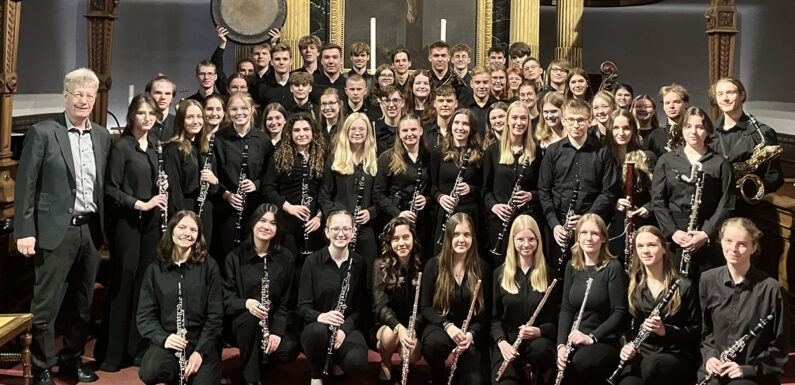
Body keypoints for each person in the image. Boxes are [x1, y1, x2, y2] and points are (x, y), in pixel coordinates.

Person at [15, 68, 110, 385]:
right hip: (56, 231)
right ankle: (43, 365)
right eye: (78, 94)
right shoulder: (43, 132)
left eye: (89, 95)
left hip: (90, 231)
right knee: (47, 304)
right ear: (65, 96)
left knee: (83, 304)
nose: (84, 100)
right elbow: (25, 185)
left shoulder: (101, 134)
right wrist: (24, 230)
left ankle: (71, 361)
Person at [98, 94, 166, 372]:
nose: (147, 118)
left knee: (144, 287)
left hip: (150, 225)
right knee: (123, 285)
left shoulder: (154, 147)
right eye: (141, 113)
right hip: (127, 225)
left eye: (151, 113)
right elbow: (111, 189)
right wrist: (142, 203)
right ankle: (113, 354)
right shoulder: (122, 147)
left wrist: (161, 186)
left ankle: (136, 349)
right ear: (131, 116)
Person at [698, 217, 790, 385]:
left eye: (742, 244)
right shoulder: (708, 280)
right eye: (728, 241)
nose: (733, 249)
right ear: (721, 242)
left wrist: (746, 369)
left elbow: (780, 347)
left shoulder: (771, 289)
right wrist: (710, 358)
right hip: (716, 369)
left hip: (754, 373)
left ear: (753, 248)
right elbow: (706, 332)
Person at [137, 211, 223, 385]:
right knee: (150, 371)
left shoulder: (209, 266)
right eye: (182, 227)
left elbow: (216, 315)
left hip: (202, 341)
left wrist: (199, 352)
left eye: (193, 229)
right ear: (171, 231)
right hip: (171, 339)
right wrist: (164, 339)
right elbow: (145, 316)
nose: (187, 233)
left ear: (198, 236)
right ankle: (176, 372)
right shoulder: (155, 270)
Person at [652, 107, 734, 278]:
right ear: (682, 129)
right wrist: (673, 232)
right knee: (677, 287)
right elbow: (658, 201)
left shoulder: (720, 163)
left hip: (708, 234)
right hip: (676, 236)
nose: (693, 132)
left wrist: (706, 233)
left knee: (707, 288)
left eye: (699, 127)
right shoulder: (667, 161)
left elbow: (727, 202)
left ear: (707, 131)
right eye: (688, 126)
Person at [222, 204, 300, 385]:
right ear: (252, 224)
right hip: (241, 322)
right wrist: (246, 304)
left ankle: (259, 358)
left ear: (277, 229)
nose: (267, 226)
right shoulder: (234, 258)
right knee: (250, 320)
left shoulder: (285, 257)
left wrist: (276, 332)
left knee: (287, 349)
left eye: (272, 223)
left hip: (271, 323)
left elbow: (286, 301)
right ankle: (252, 379)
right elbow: (226, 300)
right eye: (262, 220)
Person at [538, 99, 619, 273]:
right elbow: (544, 191)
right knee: (557, 275)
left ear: (590, 121)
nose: (576, 124)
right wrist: (555, 225)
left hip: (591, 229)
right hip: (560, 228)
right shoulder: (553, 151)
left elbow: (608, 192)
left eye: (581, 120)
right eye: (571, 120)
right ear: (564, 121)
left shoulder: (603, 152)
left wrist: (586, 220)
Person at [614, 225, 700, 385]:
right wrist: (625, 345)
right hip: (643, 352)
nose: (645, 251)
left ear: (663, 249)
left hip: (675, 354)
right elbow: (623, 325)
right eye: (640, 246)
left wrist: (665, 330)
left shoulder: (684, 286)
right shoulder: (632, 285)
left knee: (652, 366)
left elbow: (695, 331)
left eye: (651, 245)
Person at [297, 211, 369, 385]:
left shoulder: (359, 263)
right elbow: (302, 307)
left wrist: (345, 329)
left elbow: (361, 308)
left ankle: (337, 360)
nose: (341, 233)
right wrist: (321, 317)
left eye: (346, 229)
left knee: (357, 361)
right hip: (318, 329)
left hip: (345, 328)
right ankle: (316, 374)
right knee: (317, 332)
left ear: (353, 233)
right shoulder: (312, 261)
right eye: (335, 228)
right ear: (327, 232)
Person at [555, 214, 628, 385]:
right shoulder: (572, 266)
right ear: (577, 237)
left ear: (603, 238)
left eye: (595, 233)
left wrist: (592, 337)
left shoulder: (613, 267)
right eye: (584, 232)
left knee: (581, 361)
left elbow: (619, 312)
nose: (589, 238)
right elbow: (566, 308)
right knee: (562, 366)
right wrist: (560, 346)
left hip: (603, 339)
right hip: (575, 339)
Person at [421, 213, 491, 385]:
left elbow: (485, 312)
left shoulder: (482, 268)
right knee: (434, 344)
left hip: (470, 332)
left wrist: (471, 334)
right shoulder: (433, 266)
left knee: (476, 381)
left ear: (473, 237)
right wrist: (448, 326)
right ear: (448, 237)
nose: (462, 239)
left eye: (466, 235)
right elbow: (426, 307)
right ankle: (436, 373)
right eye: (456, 234)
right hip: (441, 326)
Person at [490, 215, 558, 385]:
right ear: (512, 240)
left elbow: (555, 320)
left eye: (531, 239)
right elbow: (493, 319)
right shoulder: (499, 274)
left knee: (542, 351)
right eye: (520, 239)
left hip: (538, 341)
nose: (526, 244)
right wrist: (501, 342)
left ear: (538, 240)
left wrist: (539, 331)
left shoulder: (550, 275)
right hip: (508, 338)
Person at [213, 92, 273, 261]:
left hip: (254, 206)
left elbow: (269, 174)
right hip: (227, 208)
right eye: (234, 109)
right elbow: (215, 175)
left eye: (244, 108)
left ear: (252, 110)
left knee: (252, 252)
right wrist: (226, 194)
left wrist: (257, 184)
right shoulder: (218, 138)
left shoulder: (262, 139)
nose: (239, 113)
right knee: (227, 253)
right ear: (227, 112)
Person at [708, 77, 784, 210]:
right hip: (714, 206)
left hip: (746, 208)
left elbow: (774, 177)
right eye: (720, 94)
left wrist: (750, 189)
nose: (725, 98)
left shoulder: (762, 133)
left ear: (742, 95)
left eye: (730, 93)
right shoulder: (709, 133)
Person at [483, 101, 542, 267]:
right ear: (507, 120)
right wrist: (494, 206)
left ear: (529, 122)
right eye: (514, 117)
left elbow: (543, 189)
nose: (519, 122)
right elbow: (485, 189)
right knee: (500, 267)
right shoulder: (492, 152)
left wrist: (531, 195)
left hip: (527, 220)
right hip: (500, 220)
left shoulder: (536, 152)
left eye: (523, 118)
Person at [264, 112, 326, 264]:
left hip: (315, 223)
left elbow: (327, 191)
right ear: (290, 133)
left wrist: (319, 217)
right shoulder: (280, 155)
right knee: (290, 265)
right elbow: (268, 189)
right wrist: (289, 207)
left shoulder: (323, 155)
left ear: (313, 132)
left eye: (306, 129)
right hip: (288, 221)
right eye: (296, 130)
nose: (301, 134)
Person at [319, 113, 380, 267]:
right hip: (340, 229)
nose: (357, 133)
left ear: (368, 133)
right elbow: (324, 196)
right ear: (346, 131)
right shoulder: (334, 159)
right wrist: (337, 217)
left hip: (365, 228)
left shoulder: (374, 161)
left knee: (366, 273)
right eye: (353, 129)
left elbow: (380, 196)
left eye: (362, 129)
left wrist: (370, 212)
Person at [371, 217, 424, 384]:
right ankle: (385, 363)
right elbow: (380, 305)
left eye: (405, 237)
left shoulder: (422, 266)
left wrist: (412, 328)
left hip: (413, 326)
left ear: (413, 239)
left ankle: (405, 365)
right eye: (395, 239)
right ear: (390, 242)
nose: (401, 243)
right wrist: (397, 326)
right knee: (389, 336)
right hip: (386, 324)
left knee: (413, 351)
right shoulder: (380, 265)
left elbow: (425, 306)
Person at [373, 115, 433, 254]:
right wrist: (398, 214)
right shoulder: (387, 158)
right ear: (399, 133)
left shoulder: (429, 156)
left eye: (413, 129)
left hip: (422, 221)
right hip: (395, 220)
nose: (410, 134)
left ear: (421, 131)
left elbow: (433, 189)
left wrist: (426, 200)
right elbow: (378, 193)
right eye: (405, 130)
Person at [604, 109, 657, 264]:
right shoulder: (603, 157)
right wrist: (614, 203)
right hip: (612, 224)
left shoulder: (647, 157)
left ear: (633, 130)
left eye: (626, 128)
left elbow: (658, 194)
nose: (621, 133)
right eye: (616, 128)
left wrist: (649, 207)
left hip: (640, 222)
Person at [164, 98, 218, 242]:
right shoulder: (173, 149)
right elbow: (174, 190)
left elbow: (214, 190)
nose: (196, 121)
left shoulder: (206, 149)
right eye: (190, 117)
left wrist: (214, 181)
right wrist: (184, 220)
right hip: (184, 212)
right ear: (181, 121)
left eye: (199, 116)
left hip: (205, 211)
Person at [431, 108, 484, 256]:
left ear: (471, 129)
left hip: (471, 213)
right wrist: (440, 198)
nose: (460, 128)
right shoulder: (438, 152)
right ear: (451, 126)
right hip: (446, 212)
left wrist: (471, 189)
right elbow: (432, 186)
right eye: (457, 123)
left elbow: (484, 189)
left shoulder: (479, 154)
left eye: (465, 124)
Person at [459, 66, 497, 137]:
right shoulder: (462, 105)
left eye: (485, 82)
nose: (481, 86)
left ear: (491, 83)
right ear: (471, 84)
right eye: (477, 82)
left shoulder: (497, 106)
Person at [254, 43, 293, 108]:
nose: (281, 62)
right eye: (277, 59)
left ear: (291, 61)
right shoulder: (261, 87)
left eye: (285, 59)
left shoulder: (299, 84)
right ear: (271, 62)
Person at [423, 85, 458, 152]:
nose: (445, 104)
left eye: (449, 101)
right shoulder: (425, 132)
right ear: (435, 104)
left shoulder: (461, 131)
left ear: (456, 104)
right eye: (441, 101)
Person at [373, 85, 405, 155]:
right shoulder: (374, 128)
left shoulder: (408, 129)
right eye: (387, 101)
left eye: (395, 100)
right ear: (381, 104)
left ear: (402, 103)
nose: (391, 105)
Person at [658, 84, 690, 153]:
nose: (671, 106)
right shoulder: (656, 135)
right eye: (667, 103)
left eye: (676, 102)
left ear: (686, 104)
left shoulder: (694, 132)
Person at [146, 75, 176, 142]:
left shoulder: (179, 123)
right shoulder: (137, 122)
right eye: (158, 93)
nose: (163, 97)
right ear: (148, 96)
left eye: (167, 93)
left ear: (172, 98)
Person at [535, 91, 566, 156]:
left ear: (563, 111)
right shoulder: (539, 137)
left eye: (554, 111)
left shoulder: (571, 137)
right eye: (546, 112)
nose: (549, 116)